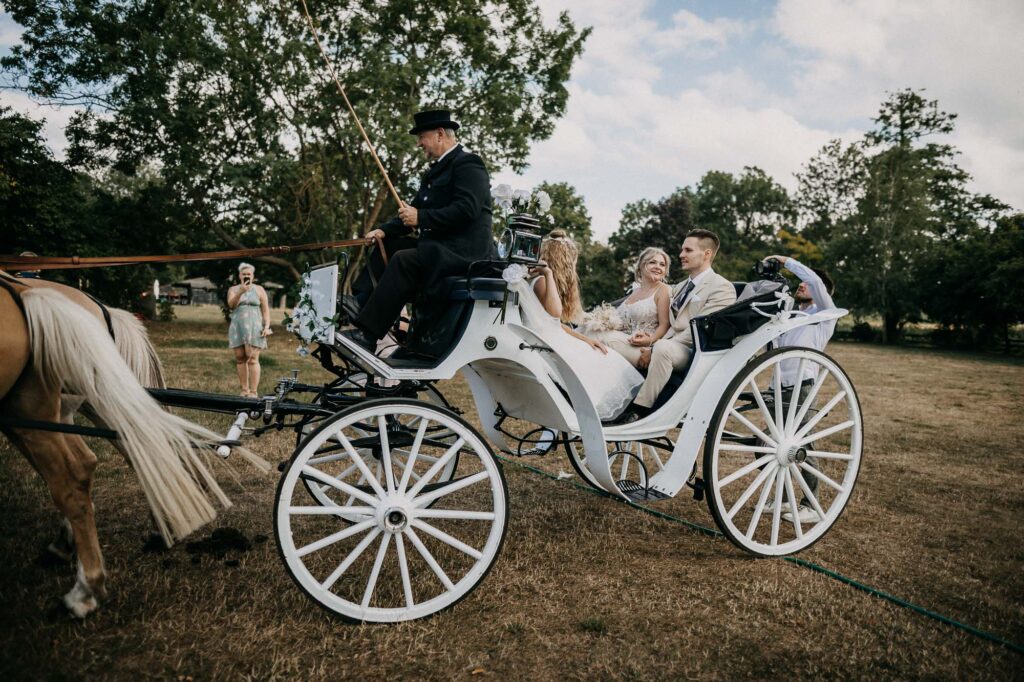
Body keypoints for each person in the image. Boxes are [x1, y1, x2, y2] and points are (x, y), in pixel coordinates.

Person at [346, 109, 492, 352]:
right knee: (392, 246)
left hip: (464, 253)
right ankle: (359, 303)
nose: (418, 144)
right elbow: (412, 212)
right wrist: (384, 231)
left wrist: (422, 217)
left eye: (421, 137)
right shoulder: (433, 173)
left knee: (405, 260)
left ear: (439, 134)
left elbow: (468, 209)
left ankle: (368, 335)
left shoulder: (469, 164)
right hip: (438, 249)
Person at [512, 230, 642, 421]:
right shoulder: (541, 281)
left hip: (550, 335)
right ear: (563, 260)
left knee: (599, 352)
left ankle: (612, 413)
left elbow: (553, 322)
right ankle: (602, 414)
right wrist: (548, 273)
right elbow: (556, 313)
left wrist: (585, 339)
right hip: (546, 341)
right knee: (603, 361)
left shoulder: (541, 281)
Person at [619, 229, 737, 422]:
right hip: (666, 344)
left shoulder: (721, 287)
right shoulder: (680, 286)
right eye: (682, 250)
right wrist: (648, 339)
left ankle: (640, 409)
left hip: (694, 351)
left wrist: (655, 346)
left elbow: (699, 329)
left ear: (707, 254)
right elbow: (666, 321)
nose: (681, 255)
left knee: (664, 348)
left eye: (688, 250)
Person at [762, 254, 837, 523]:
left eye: (805, 284)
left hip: (801, 386)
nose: (801, 286)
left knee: (802, 444)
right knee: (766, 445)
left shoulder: (824, 315)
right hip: (777, 384)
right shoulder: (792, 314)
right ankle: (783, 499)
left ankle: (811, 504)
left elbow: (814, 280)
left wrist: (786, 261)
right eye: (800, 283)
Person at [599, 247, 672, 367]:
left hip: (642, 348)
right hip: (622, 339)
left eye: (662, 264)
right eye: (652, 262)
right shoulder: (635, 291)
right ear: (641, 266)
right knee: (591, 331)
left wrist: (650, 340)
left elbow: (665, 325)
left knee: (600, 337)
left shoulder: (663, 290)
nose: (658, 267)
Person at [227, 262, 272, 397]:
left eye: (249, 274)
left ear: (253, 276)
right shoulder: (233, 289)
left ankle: (253, 391)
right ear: (240, 275)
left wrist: (267, 326)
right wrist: (241, 292)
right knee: (240, 358)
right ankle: (244, 389)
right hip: (237, 327)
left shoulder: (259, 290)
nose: (246, 276)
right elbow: (231, 305)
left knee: (252, 359)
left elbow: (265, 310)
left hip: (254, 327)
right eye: (244, 274)